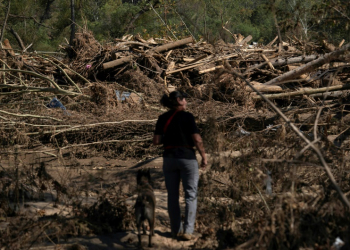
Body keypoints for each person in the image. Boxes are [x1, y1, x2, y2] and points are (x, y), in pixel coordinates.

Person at [153, 91, 207, 241]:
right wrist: (203, 156)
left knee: (172, 196)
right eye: (185, 99)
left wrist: (169, 137)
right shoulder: (188, 117)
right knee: (191, 195)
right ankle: (188, 231)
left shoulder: (162, 118)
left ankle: (175, 230)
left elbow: (156, 141)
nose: (187, 101)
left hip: (169, 159)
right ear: (179, 100)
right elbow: (196, 138)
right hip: (187, 158)